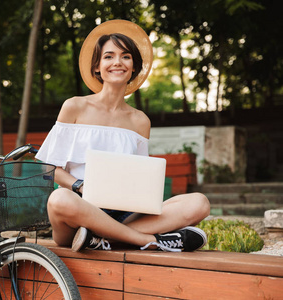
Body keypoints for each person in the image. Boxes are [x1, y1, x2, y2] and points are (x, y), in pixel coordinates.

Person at [35, 20, 210, 252]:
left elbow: (142, 177)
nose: (117, 62)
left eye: (125, 57)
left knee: (199, 203)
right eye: (108, 56)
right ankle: (150, 240)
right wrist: (80, 186)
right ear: (97, 67)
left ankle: (102, 240)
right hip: (76, 214)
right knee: (58, 200)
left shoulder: (140, 121)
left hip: (123, 212)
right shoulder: (75, 107)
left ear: (134, 67)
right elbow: (47, 166)